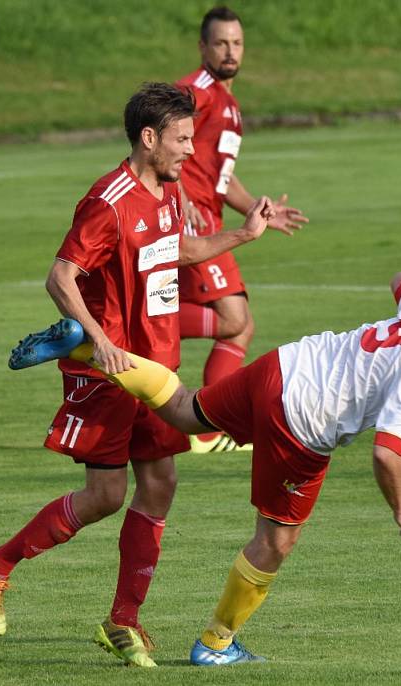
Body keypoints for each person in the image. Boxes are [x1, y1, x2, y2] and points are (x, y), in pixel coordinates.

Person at [9, 271, 401, 666]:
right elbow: (387, 452)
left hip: (286, 365)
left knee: (184, 410)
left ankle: (86, 349)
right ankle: (215, 644)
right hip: (305, 421)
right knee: (276, 540)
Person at [0, 81, 278, 669]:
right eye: (183, 139)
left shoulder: (165, 188)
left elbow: (171, 251)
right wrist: (101, 339)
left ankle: (123, 622)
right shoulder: (107, 202)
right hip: (111, 370)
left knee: (159, 487)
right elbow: (60, 276)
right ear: (149, 137)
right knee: (106, 495)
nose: (191, 150)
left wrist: (242, 234)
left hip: (155, 367)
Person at [175, 6, 309, 453]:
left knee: (240, 326)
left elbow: (220, 176)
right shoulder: (199, 91)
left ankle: (215, 429)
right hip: (192, 225)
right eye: (220, 43)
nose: (230, 51)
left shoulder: (228, 103)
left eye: (236, 43)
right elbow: (157, 125)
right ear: (203, 47)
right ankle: (138, 325)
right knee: (235, 320)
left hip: (209, 221)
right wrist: (181, 197)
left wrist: (256, 207)